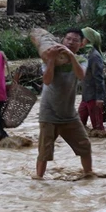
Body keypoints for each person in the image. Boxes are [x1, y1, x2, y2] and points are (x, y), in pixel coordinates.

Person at [35, 29, 92, 179]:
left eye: (75, 40)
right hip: (48, 113)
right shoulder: (48, 59)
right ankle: (38, 180)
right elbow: (47, 80)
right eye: (68, 39)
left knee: (85, 146)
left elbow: (81, 75)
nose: (70, 42)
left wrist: (72, 56)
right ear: (62, 41)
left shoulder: (82, 60)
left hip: (69, 114)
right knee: (44, 152)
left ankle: (89, 175)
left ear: (81, 44)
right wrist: (52, 60)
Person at [78, 27, 106, 132]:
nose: (80, 41)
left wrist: (100, 98)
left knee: (98, 129)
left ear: (88, 40)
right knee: (79, 127)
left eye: (82, 38)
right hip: (86, 97)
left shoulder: (94, 56)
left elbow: (99, 78)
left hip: (94, 98)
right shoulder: (87, 54)